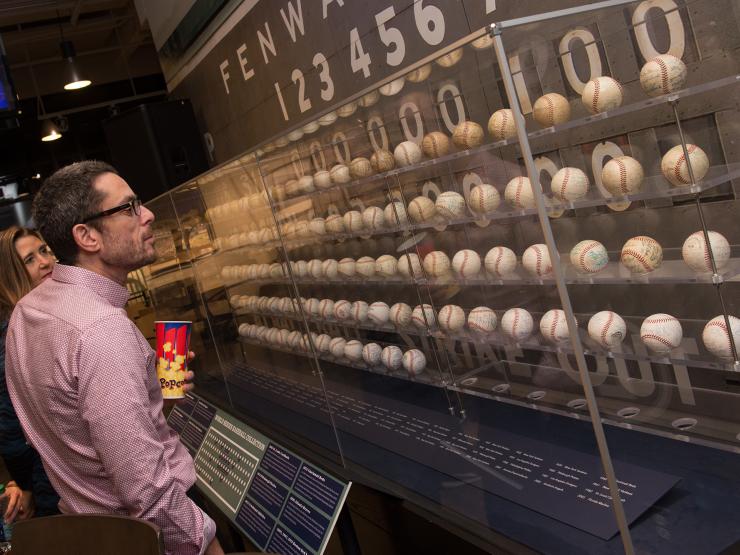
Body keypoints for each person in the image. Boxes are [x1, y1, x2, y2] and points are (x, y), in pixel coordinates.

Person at [5, 161, 224, 555]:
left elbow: (72, 419)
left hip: (89, 532)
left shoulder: (29, 310)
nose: (147, 214)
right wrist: (203, 543)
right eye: (129, 207)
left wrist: (148, 390)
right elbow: (147, 490)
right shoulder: (101, 331)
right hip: (150, 538)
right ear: (87, 236)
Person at [0, 226, 61, 521]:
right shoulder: (16, 333)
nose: (45, 261)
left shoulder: (42, 317)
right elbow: (11, 426)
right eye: (29, 259)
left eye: (44, 250)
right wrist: (26, 484)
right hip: (52, 483)